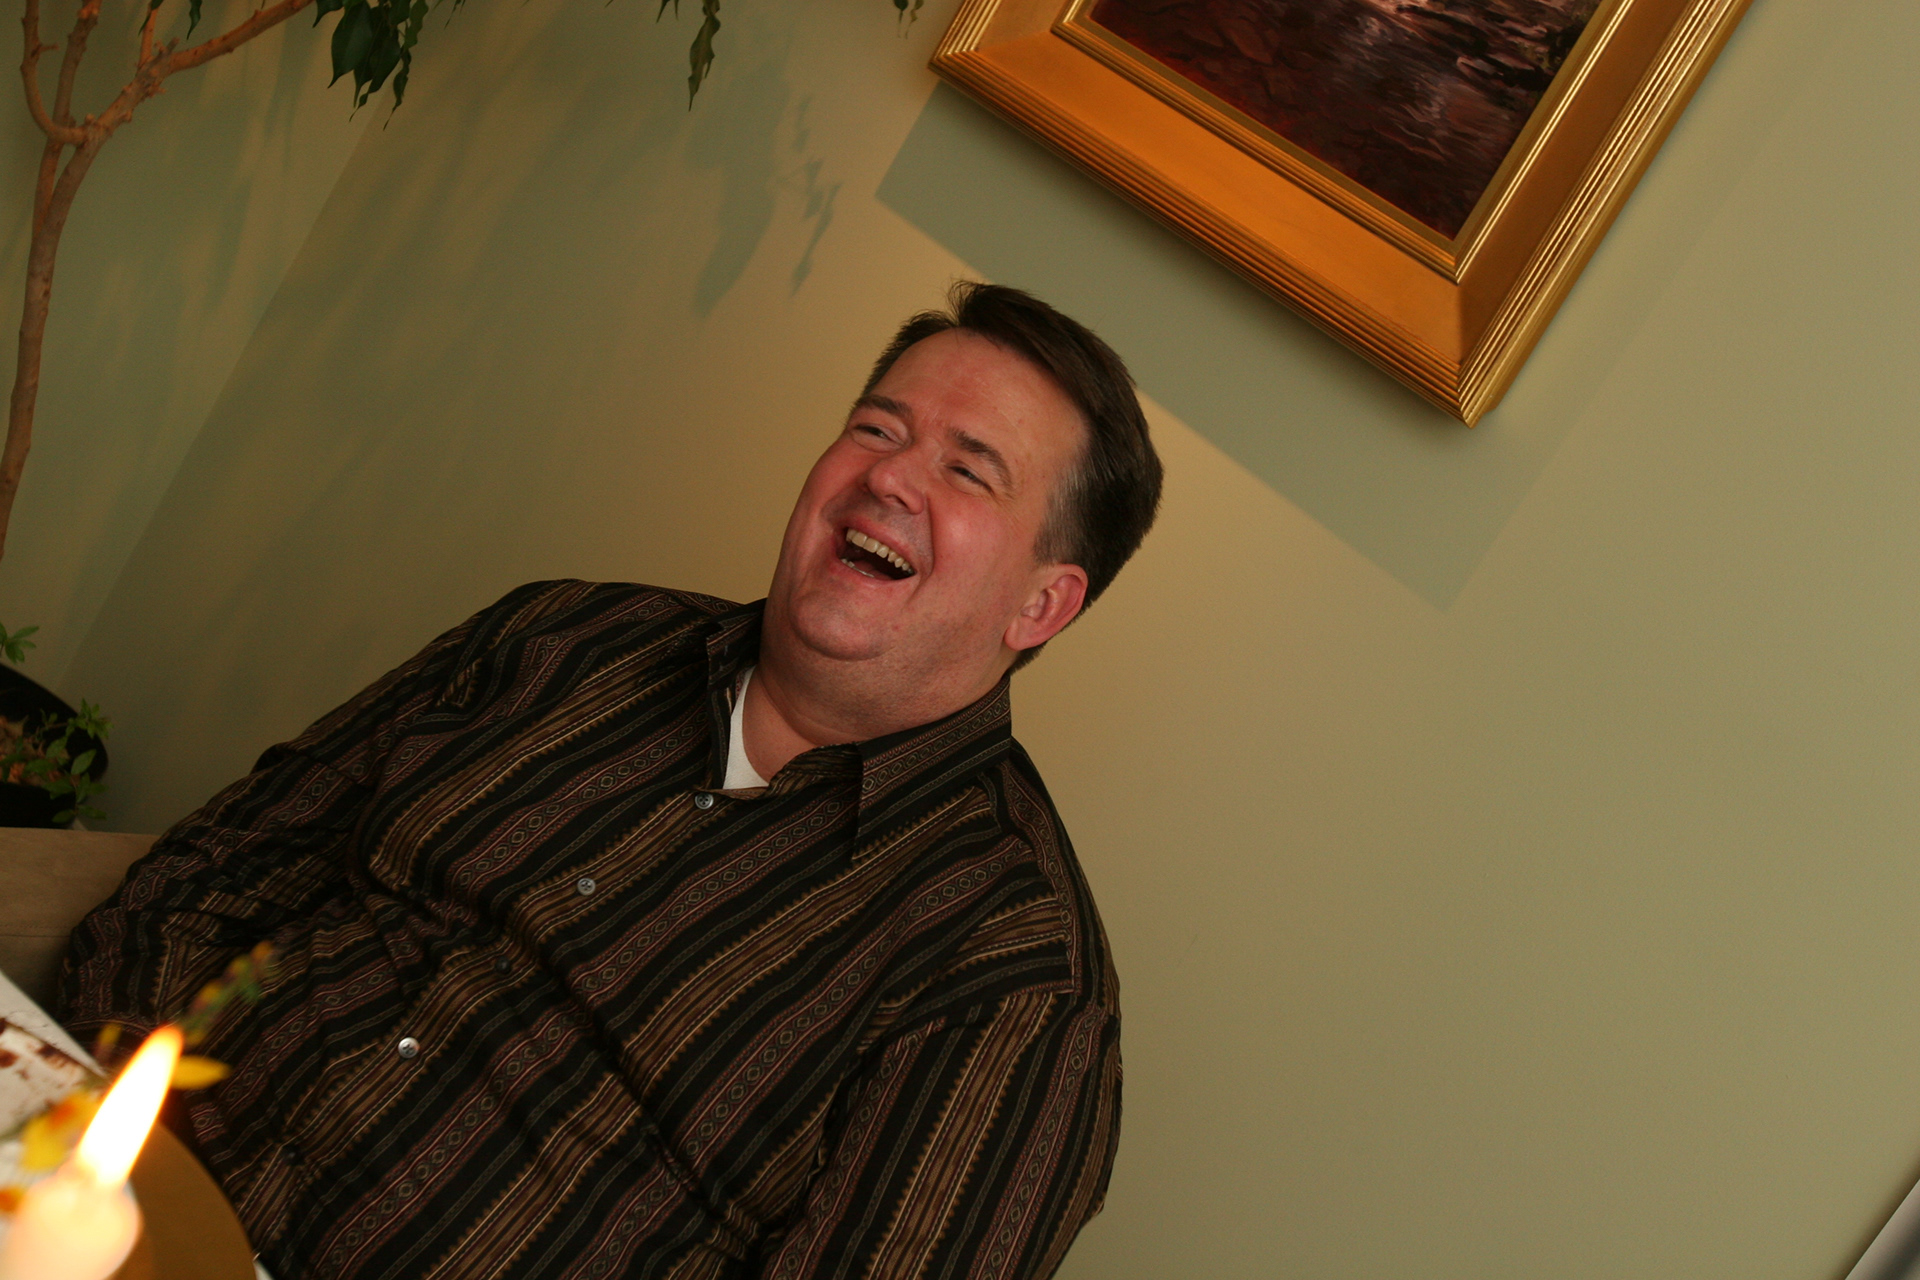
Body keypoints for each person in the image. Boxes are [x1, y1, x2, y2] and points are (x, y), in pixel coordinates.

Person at [60, 282, 1163, 1280]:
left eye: (968, 470)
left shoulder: (1020, 975)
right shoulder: (562, 637)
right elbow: (214, 871)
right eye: (876, 428)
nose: (887, 475)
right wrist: (98, 1129)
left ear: (1042, 604)